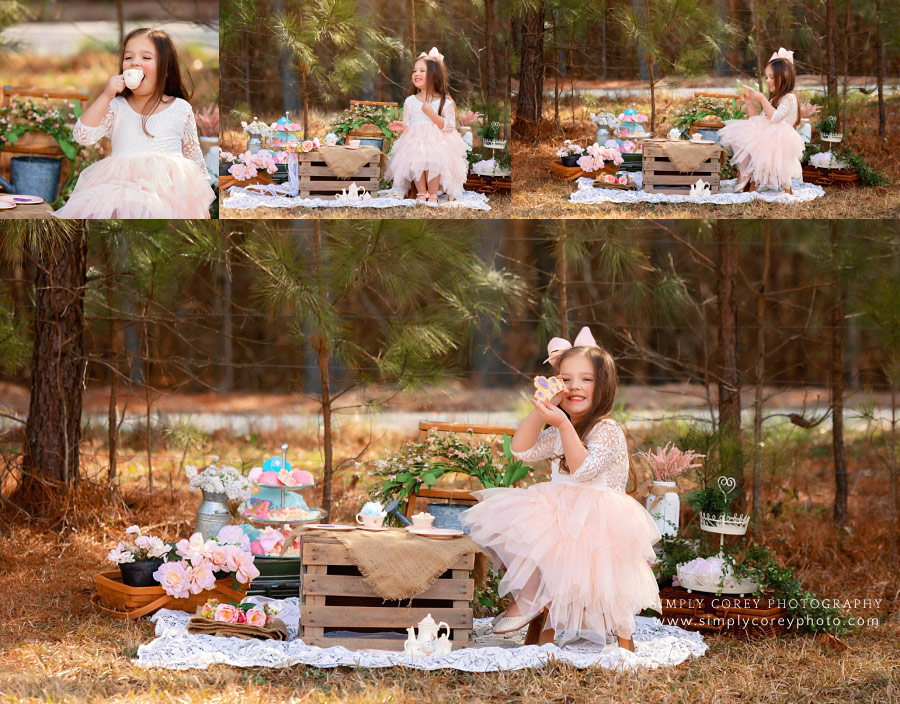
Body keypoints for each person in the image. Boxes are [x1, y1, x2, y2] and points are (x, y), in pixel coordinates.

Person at [459, 329, 661, 651]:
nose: (575, 387)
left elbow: (583, 471)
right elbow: (521, 449)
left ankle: (617, 638)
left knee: (588, 567)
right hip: (561, 514)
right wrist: (540, 412)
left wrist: (564, 425)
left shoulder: (606, 430)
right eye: (566, 379)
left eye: (587, 379)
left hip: (598, 524)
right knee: (501, 519)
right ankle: (531, 595)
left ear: (604, 386)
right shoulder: (557, 429)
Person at [54, 28, 215, 219]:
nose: (135, 62)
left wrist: (201, 207)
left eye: (146, 58)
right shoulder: (116, 106)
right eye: (128, 57)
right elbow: (82, 136)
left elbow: (194, 161)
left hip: (168, 198)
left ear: (166, 71)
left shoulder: (180, 108)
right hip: (120, 194)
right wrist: (106, 95)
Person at [384, 47, 468, 204]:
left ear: (434, 76)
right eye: (415, 70)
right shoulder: (410, 101)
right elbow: (409, 124)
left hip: (437, 141)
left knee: (434, 159)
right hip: (414, 141)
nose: (416, 74)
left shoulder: (445, 102)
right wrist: (403, 128)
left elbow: (449, 126)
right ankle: (421, 193)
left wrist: (431, 114)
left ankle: (433, 194)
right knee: (415, 160)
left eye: (422, 70)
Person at [718, 48, 805, 195]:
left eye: (772, 77)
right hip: (769, 135)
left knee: (754, 140)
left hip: (781, 140)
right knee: (741, 133)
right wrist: (750, 103)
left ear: (784, 77)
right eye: (766, 77)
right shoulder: (773, 98)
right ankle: (745, 172)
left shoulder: (789, 98)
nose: (768, 81)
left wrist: (763, 99)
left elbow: (775, 118)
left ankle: (749, 174)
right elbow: (757, 120)